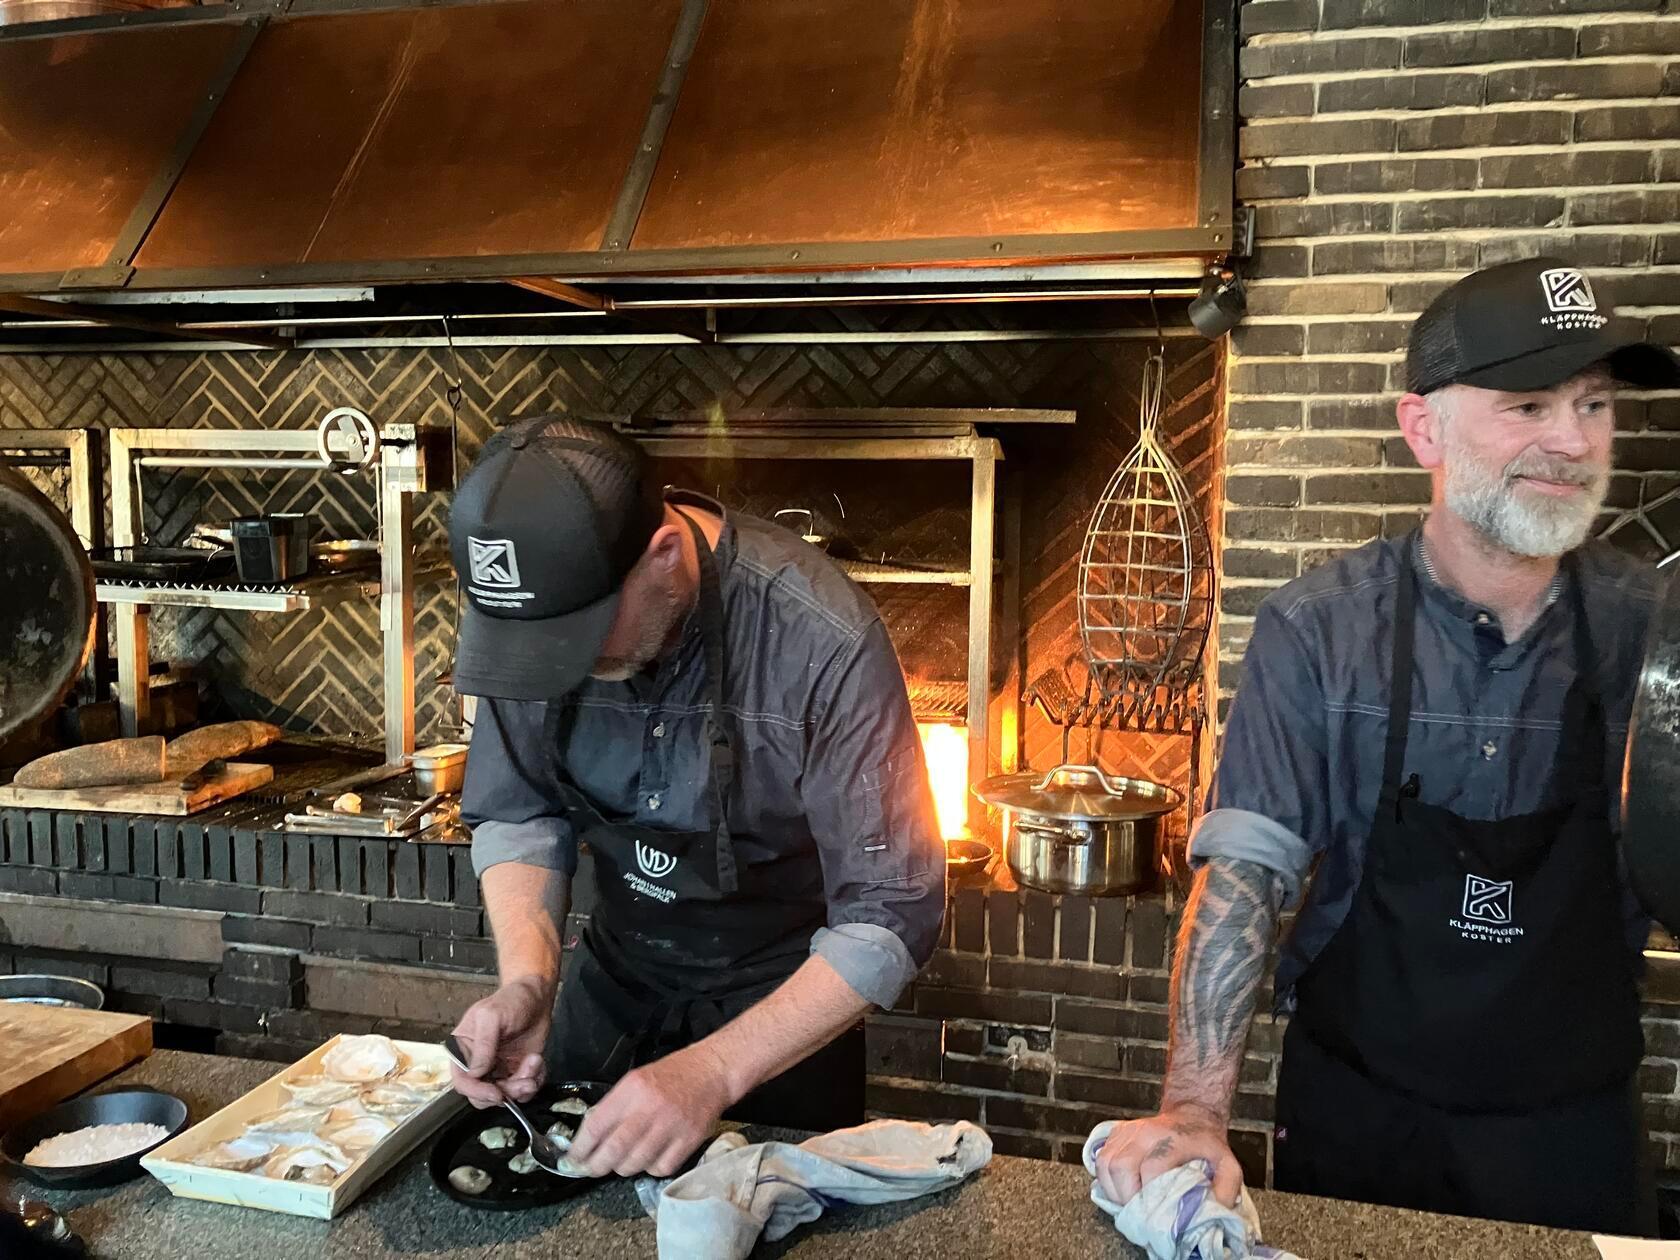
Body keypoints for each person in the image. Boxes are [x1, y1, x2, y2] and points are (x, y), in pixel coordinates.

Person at [1093, 257, 1680, 1234]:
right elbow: (1246, 876)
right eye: (1530, 405)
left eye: (1594, 404)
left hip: (1570, 1132)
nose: (1574, 442)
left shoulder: (1653, 632)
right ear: (1424, 429)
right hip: (1358, 1121)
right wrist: (1195, 1109)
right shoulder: (1320, 629)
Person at [444, 416, 944, 1180]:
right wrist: (528, 979)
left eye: (577, 641)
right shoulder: (534, 618)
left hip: (780, 1010)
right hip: (613, 980)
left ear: (665, 554)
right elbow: (518, 810)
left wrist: (712, 1071)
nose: (557, 665)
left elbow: (889, 914)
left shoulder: (820, 639)